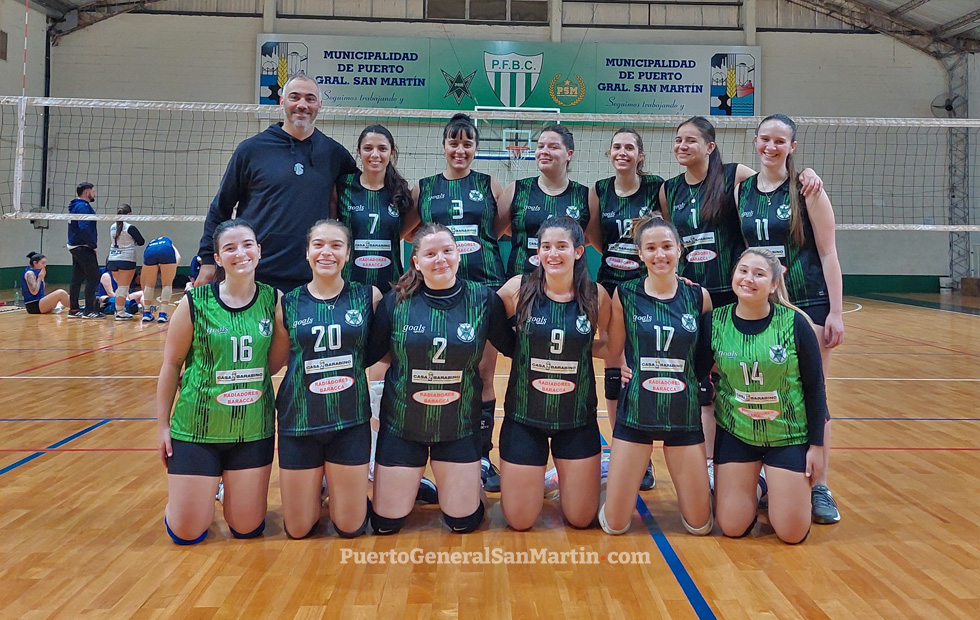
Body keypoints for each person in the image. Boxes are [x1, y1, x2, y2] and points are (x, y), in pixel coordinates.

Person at [659, 116, 822, 490]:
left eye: (691, 140)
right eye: (678, 139)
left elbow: (774, 181)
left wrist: (807, 174)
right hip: (694, 296)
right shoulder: (669, 190)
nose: (682, 145)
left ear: (710, 146)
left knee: (741, 376)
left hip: (731, 293)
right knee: (702, 383)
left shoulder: (734, 176)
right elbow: (672, 237)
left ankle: (767, 459)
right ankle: (714, 465)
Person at [366, 223, 514, 535]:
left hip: (457, 427)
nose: (441, 259)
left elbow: (515, 349)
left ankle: (468, 483)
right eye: (430, 254)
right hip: (403, 426)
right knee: (385, 524)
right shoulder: (396, 302)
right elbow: (369, 355)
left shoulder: (483, 300)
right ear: (416, 262)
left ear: (458, 254)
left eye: (447, 250)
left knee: (463, 523)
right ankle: (417, 483)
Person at [736, 113, 844, 524]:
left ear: (792, 147)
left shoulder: (806, 190)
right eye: (765, 138)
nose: (771, 146)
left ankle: (820, 486)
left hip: (808, 300)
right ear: (755, 141)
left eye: (780, 141)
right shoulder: (742, 189)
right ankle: (774, 477)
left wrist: (836, 312)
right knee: (767, 390)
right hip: (764, 305)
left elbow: (829, 252)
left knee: (813, 394)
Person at [156, 220, 281, 545]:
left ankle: (222, 489)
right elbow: (171, 365)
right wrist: (162, 427)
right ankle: (191, 498)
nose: (240, 253)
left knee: (247, 529)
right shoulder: (195, 302)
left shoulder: (274, 300)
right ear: (218, 257)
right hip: (196, 430)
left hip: (252, 430)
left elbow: (272, 364)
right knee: (187, 532)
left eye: (247, 245)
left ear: (259, 250)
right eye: (230, 248)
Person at [695, 248, 828, 544]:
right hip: (737, 432)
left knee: (791, 533)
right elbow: (692, 373)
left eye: (759, 274)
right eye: (743, 271)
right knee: (732, 527)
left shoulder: (795, 324)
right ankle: (760, 487)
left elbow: (815, 389)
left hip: (788, 435)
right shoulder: (714, 323)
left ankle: (776, 486)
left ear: (774, 284)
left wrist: (816, 447)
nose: (748, 279)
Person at [408, 113, 508, 492]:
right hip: (435, 293)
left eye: (468, 143)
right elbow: (407, 232)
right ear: (444, 146)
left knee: (482, 373)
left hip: (484, 287)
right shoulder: (425, 188)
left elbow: (498, 229)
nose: (460, 150)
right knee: (436, 372)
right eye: (454, 142)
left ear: (476, 148)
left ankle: (481, 455)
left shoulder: (489, 185)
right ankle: (429, 452)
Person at [496, 216, 611, 530]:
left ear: (578, 251)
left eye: (561, 246)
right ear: (537, 251)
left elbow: (608, 345)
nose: (553, 254)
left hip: (576, 418)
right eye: (546, 246)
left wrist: (583, 349)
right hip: (524, 417)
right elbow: (488, 324)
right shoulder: (517, 289)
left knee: (581, 519)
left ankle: (583, 476)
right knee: (519, 521)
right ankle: (541, 478)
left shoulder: (596, 295)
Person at [599, 217, 712, 536]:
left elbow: (705, 357)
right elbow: (613, 351)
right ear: (640, 253)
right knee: (615, 526)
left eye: (666, 246)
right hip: (637, 413)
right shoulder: (625, 294)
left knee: (700, 525)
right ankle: (592, 478)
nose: (659, 254)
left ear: (680, 249)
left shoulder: (698, 296)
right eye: (650, 248)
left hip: (682, 416)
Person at [196, 73, 358, 292]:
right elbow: (220, 208)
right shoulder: (251, 150)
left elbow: (365, 191)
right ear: (282, 101)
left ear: (320, 105)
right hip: (256, 274)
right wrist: (207, 259)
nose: (302, 104)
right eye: (295, 97)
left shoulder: (334, 153)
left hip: (311, 277)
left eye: (310, 98)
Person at [272, 220, 381, 539]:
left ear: (348, 254)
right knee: (298, 529)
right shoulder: (287, 303)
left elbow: (380, 353)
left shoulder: (368, 297)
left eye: (336, 245)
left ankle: (345, 492)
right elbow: (275, 363)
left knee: (349, 527)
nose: (326, 252)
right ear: (307, 252)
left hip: (349, 420)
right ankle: (319, 489)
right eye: (318, 245)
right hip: (300, 422)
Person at [586, 127, 664, 491]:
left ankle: (642, 455)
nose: (622, 152)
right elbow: (596, 237)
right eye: (616, 146)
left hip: (645, 288)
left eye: (629, 147)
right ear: (609, 153)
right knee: (615, 366)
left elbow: (666, 234)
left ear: (640, 155)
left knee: (643, 367)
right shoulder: (599, 190)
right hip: (609, 285)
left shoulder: (655, 188)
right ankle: (622, 451)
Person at [499, 124, 593, 278]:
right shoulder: (517, 190)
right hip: (521, 280)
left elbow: (590, 238)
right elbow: (495, 232)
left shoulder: (585, 195)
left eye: (553, 147)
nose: (544, 151)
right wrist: (524, 233)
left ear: (569, 154)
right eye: (540, 146)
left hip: (568, 283)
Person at [67, 181, 103, 319]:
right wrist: (92, 245)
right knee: (93, 277)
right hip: (83, 246)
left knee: (77, 278)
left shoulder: (76, 205)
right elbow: (84, 227)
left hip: (75, 246)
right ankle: (89, 310)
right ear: (87, 192)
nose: (95, 194)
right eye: (93, 191)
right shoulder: (83, 206)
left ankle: (74, 309)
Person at [105, 204, 145, 320]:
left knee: (120, 287)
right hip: (126, 259)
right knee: (123, 287)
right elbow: (141, 241)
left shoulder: (112, 227)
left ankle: (119, 310)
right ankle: (120, 312)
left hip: (113, 259)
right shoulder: (130, 228)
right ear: (129, 214)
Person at [142, 236, 181, 323]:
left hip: (150, 252)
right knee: (167, 285)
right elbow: (178, 257)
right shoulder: (169, 243)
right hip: (166, 251)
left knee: (149, 285)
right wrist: (171, 270)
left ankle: (146, 313)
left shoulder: (151, 243)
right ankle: (163, 314)